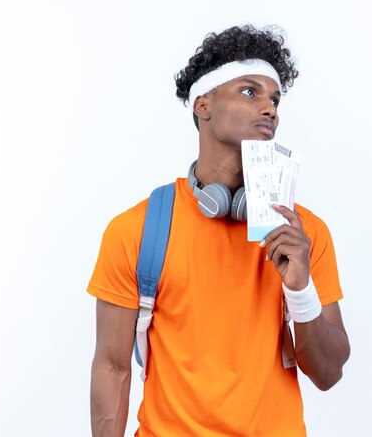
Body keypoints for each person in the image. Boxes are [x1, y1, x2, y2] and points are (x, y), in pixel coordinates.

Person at [87, 24, 350, 437]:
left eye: (275, 99)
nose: (270, 109)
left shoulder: (304, 234)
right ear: (203, 105)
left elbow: (329, 373)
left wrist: (300, 290)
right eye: (250, 91)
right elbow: (113, 365)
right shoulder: (137, 230)